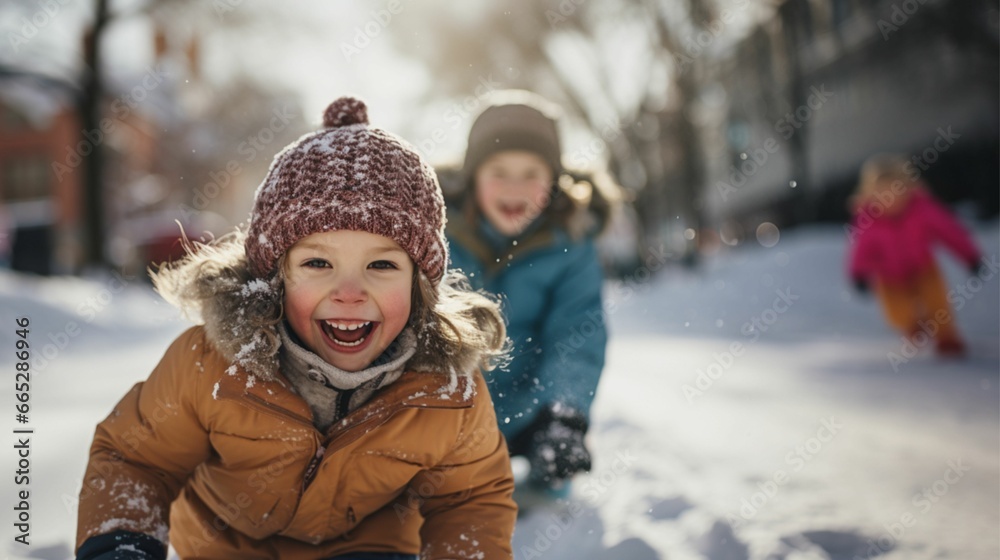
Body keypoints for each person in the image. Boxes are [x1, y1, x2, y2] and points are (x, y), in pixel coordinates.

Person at [75, 97, 516, 560]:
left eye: (382, 264)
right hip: (226, 548)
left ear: (419, 284)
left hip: (369, 547)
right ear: (275, 278)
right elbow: (136, 459)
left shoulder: (447, 391)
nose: (349, 292)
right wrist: (123, 544)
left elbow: (470, 498)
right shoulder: (212, 365)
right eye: (318, 262)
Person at [444, 90, 612, 499]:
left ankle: (549, 450)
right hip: (445, 412)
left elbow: (576, 334)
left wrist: (563, 415)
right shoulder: (438, 235)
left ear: (553, 183)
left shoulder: (570, 243)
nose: (514, 187)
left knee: (552, 487)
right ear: (473, 178)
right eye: (499, 170)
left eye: (531, 173)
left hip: (529, 411)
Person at [848, 153, 982, 356]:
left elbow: (949, 231)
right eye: (882, 193)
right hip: (890, 277)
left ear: (907, 188)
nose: (890, 200)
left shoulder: (922, 209)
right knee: (897, 314)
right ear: (870, 194)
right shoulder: (868, 221)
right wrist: (859, 273)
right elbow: (860, 250)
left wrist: (970, 256)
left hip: (923, 268)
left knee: (937, 304)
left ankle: (947, 338)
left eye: (895, 191)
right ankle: (912, 324)